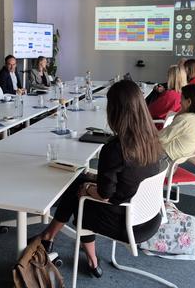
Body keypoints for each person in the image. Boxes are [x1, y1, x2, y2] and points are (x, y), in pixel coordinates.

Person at [37, 80, 164, 278]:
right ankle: (49, 236)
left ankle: (90, 258)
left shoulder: (115, 148)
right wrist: (87, 183)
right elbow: (126, 177)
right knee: (79, 181)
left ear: (114, 111)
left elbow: (105, 195)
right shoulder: (152, 139)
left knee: (80, 198)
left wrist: (87, 189)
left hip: (126, 222)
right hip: (149, 216)